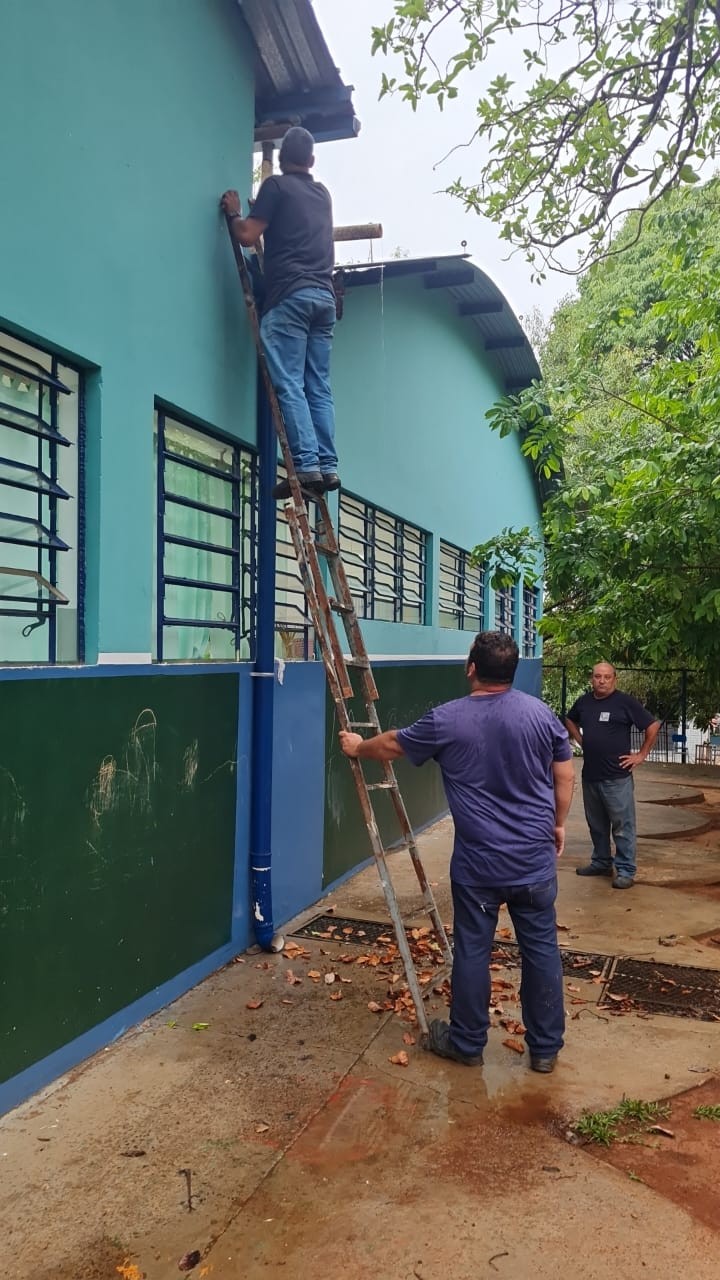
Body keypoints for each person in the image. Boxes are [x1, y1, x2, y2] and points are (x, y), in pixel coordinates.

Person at [339, 631, 575, 1074]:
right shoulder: (542, 716)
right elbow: (564, 777)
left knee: (472, 950)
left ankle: (467, 1042)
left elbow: (391, 743)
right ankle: (544, 1048)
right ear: (513, 670)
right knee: (541, 950)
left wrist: (357, 747)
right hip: (533, 861)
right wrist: (558, 824)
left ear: (471, 667)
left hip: (479, 866)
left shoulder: (447, 719)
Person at [220, 127, 339, 500]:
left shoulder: (277, 187)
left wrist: (236, 213)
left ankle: (306, 467)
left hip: (291, 297)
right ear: (312, 161)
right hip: (325, 299)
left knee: (289, 382)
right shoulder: (322, 194)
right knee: (317, 385)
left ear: (283, 159)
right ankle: (327, 464)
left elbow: (247, 234)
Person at [565, 663, 661, 889]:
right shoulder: (584, 702)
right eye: (598, 676)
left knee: (622, 826)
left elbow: (653, 725)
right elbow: (569, 719)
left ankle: (626, 870)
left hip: (617, 778)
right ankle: (601, 862)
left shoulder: (624, 702)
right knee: (596, 825)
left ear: (614, 679)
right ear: (592, 679)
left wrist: (641, 755)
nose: (602, 681)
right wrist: (580, 740)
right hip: (591, 776)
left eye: (607, 677)